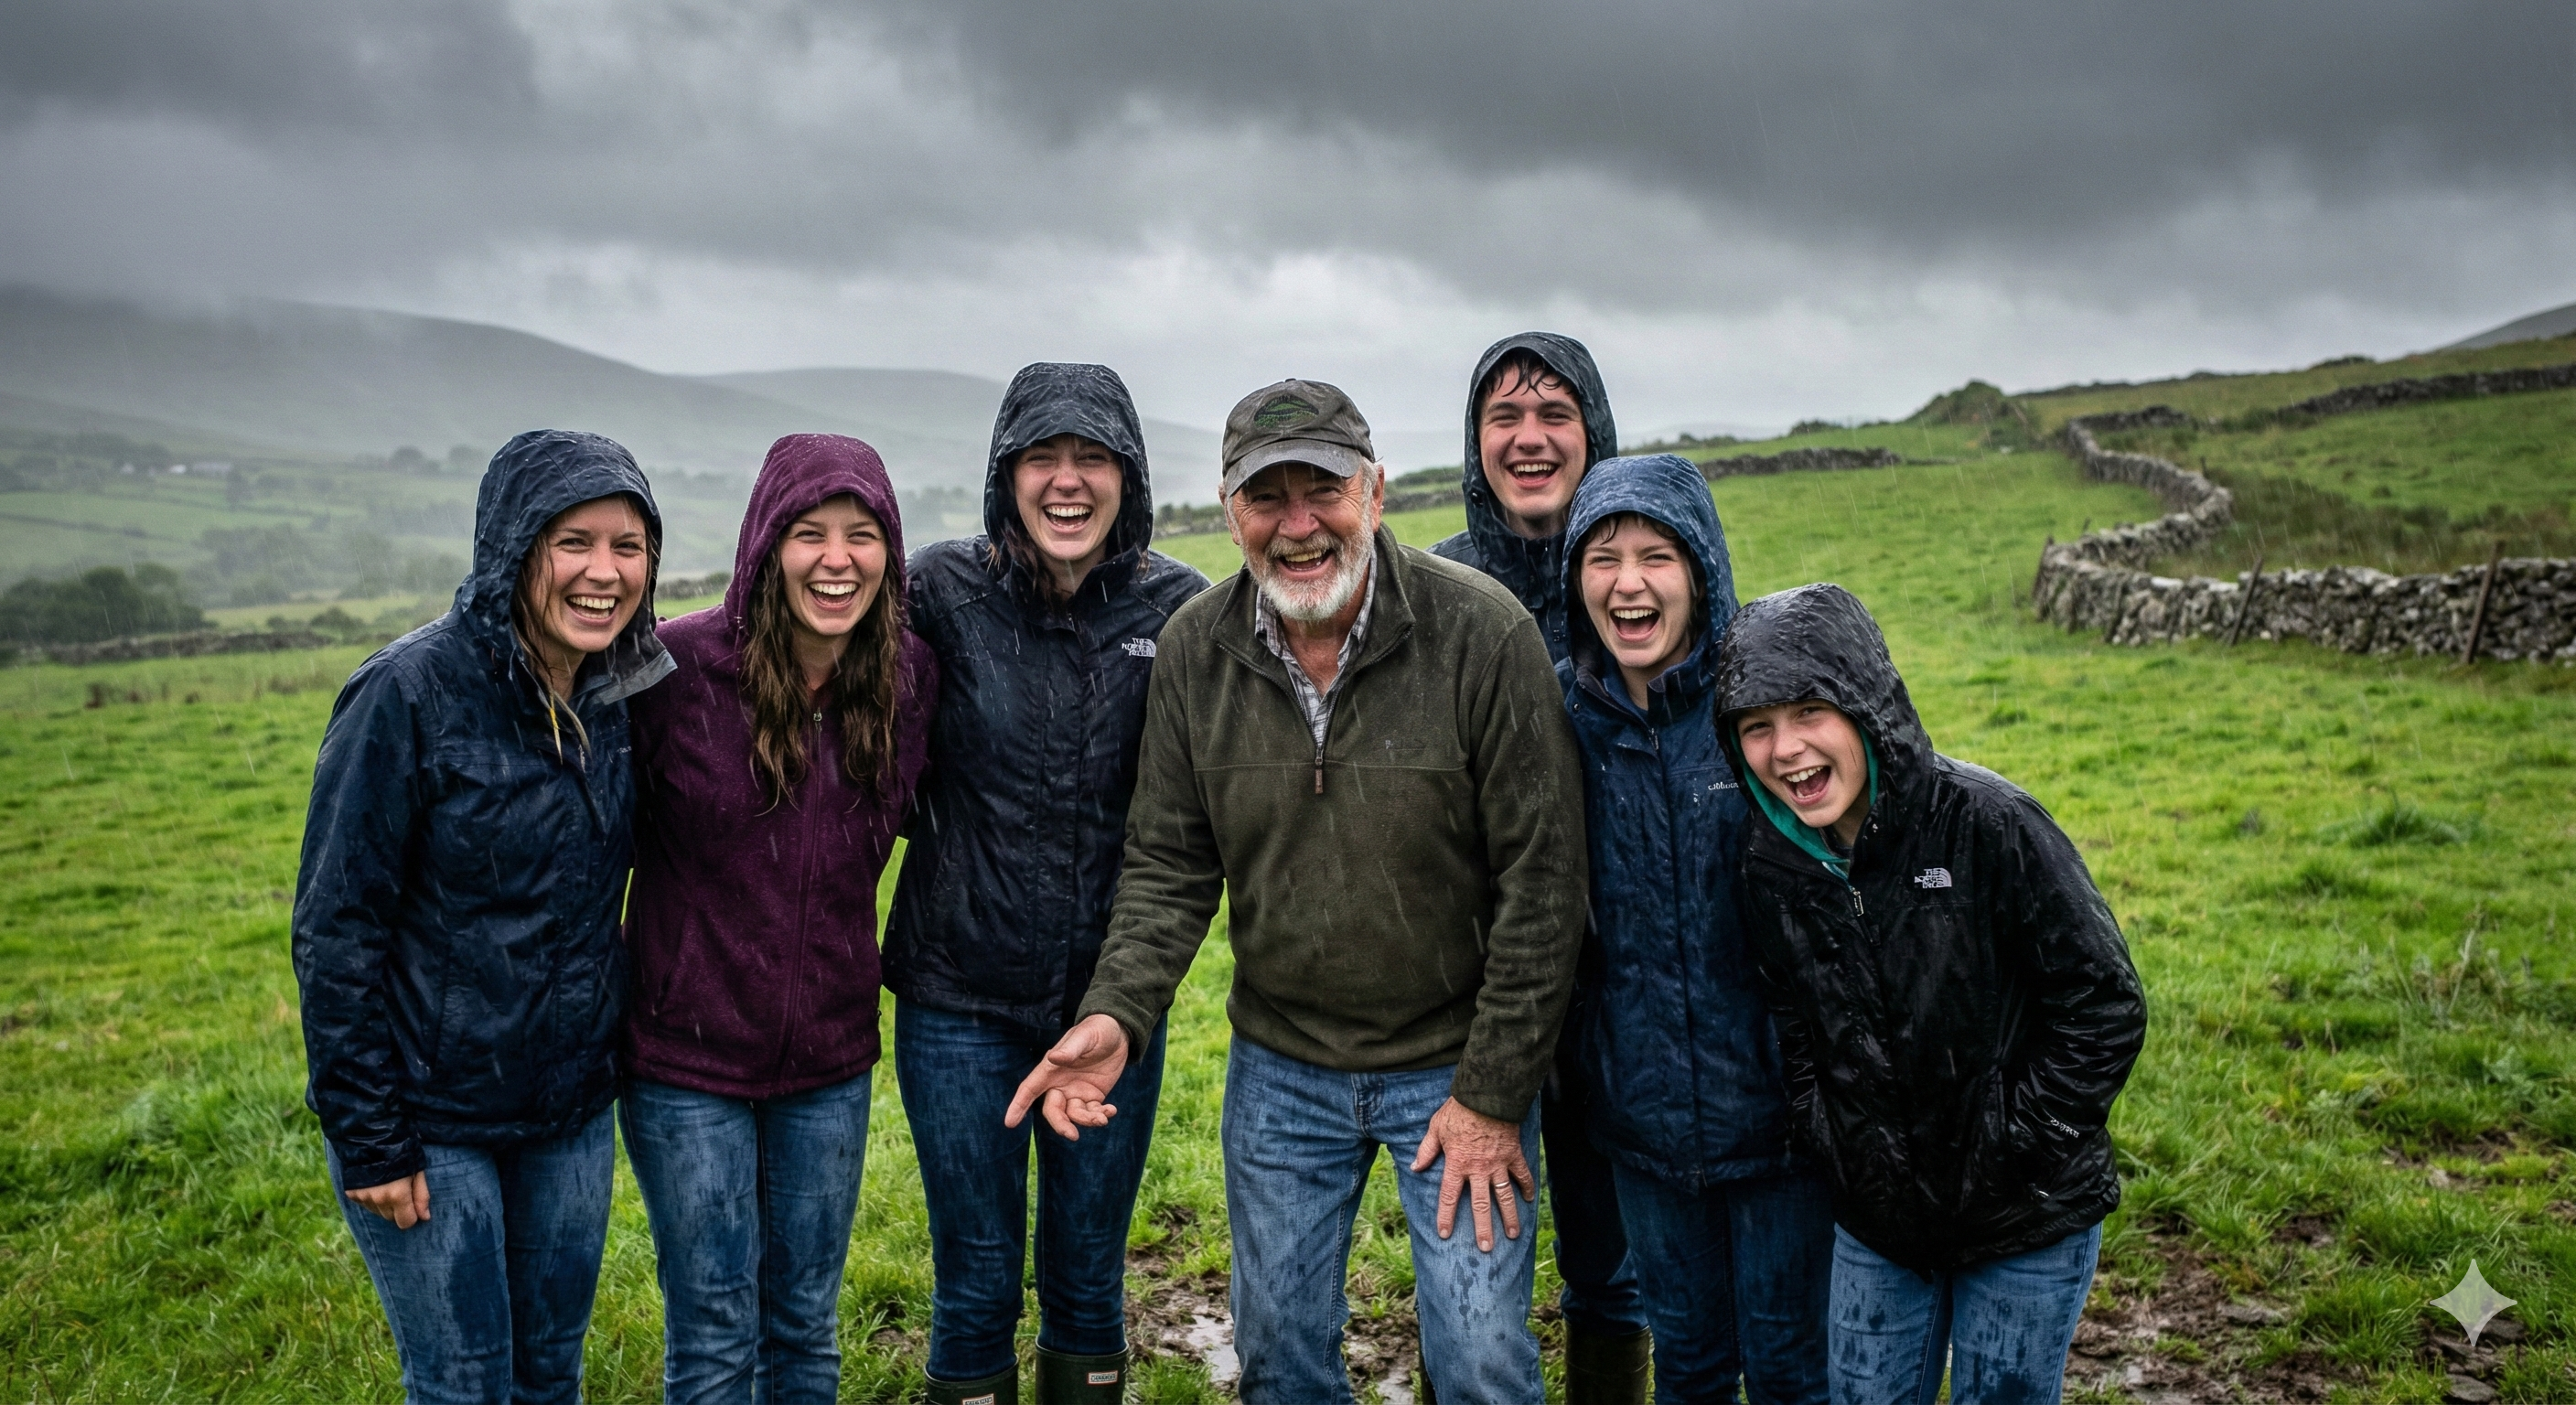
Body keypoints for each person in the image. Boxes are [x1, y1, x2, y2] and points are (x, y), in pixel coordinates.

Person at [1008, 380, 1590, 1405]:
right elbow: (1166, 866)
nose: (1296, 524)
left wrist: (1492, 1098)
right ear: (1229, 512)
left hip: (1453, 1064)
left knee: (1482, 1362)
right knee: (1278, 1362)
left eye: (1319, 488)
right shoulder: (1196, 649)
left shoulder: (1481, 635)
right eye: (1263, 497)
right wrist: (1117, 1014)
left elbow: (1542, 888)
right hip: (1280, 1069)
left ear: (1372, 491)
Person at [293, 430, 671, 1405]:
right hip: (431, 1116)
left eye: (627, 546)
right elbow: (337, 928)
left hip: (569, 1110)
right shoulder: (406, 693)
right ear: (512, 547)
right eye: (573, 542)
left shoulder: (620, 693)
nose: (603, 573)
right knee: (463, 1383)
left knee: (550, 1373)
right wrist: (372, 1136)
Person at [1713, 584, 2148, 1405]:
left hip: (2028, 1213)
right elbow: (1793, 1019)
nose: (1786, 749)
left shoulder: (1991, 824)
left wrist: (2015, 1142)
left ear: (1866, 707)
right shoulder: (1770, 862)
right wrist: (1833, 1137)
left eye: (1810, 711)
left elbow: (2104, 1003)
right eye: (1756, 727)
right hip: (1879, 1222)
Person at [886, 363, 1209, 1405]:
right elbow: (826, 692)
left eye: (1092, 459)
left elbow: (1202, 818)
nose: (1066, 483)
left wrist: (1124, 1000)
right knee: (973, 1279)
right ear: (1004, 474)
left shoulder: (1181, 611)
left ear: (1130, 476)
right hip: (957, 1005)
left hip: (1111, 1008)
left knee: (1085, 1277)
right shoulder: (937, 594)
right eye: (1041, 458)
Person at [620, 434, 938, 1404]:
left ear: (889, 551)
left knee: (802, 1327)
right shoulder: (670, 671)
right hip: (684, 1066)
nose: (836, 559)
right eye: (809, 533)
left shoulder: (908, 677)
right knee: (715, 1328)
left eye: (861, 534)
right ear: (765, 543)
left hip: (828, 1064)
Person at [1555, 455, 1831, 1405]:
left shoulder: (1761, 707)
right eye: (1602, 557)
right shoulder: (1554, 716)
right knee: (1691, 1368)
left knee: (1794, 1372)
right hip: (1638, 1119)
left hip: (1784, 1118)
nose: (1627, 583)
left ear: (1701, 569)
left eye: (1655, 555)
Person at [1431, 332, 1648, 1400]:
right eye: (1503, 418)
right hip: (1481, 990)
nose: (1528, 439)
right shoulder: (1437, 586)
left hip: (1630, 984)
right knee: (1466, 1259)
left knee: (1614, 1268)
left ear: (1592, 431)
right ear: (1475, 444)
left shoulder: (1643, 570)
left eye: (1553, 414)